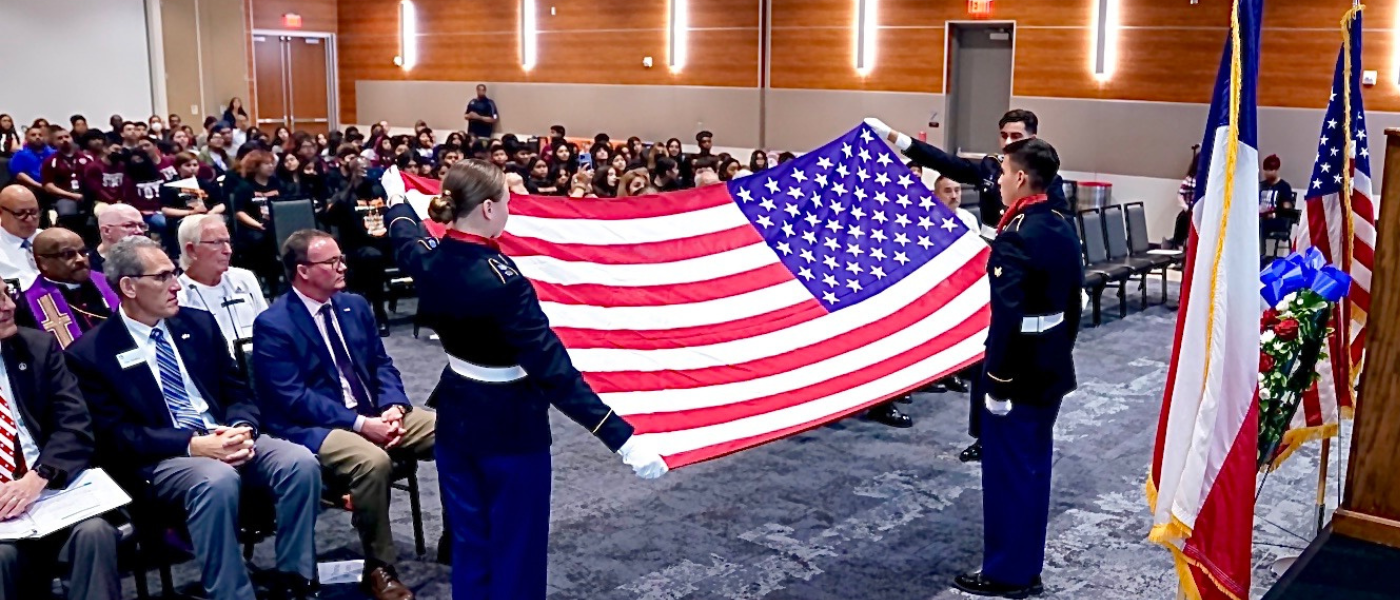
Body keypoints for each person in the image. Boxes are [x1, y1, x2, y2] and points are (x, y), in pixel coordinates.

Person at [384, 160, 667, 599]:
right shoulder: (505, 283)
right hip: (510, 424)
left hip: (455, 413)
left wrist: (395, 202)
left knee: (470, 540)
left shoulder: (429, 258)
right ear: (490, 210)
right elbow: (553, 371)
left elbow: (405, 235)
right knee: (517, 547)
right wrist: (621, 437)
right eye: (509, 202)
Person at [66, 236, 321, 600]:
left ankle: (295, 579)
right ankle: (232, 593)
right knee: (214, 478)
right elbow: (117, 435)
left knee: (299, 461)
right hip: (160, 460)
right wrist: (192, 444)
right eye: (163, 277)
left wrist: (241, 428)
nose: (176, 285)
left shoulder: (198, 324)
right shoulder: (92, 353)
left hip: (224, 435)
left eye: (174, 274)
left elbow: (237, 391)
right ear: (128, 286)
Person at [253, 230, 438, 600]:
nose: (343, 267)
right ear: (303, 271)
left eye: (342, 259)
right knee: (372, 461)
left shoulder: (354, 306)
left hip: (372, 411)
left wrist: (393, 407)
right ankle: (379, 566)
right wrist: (361, 425)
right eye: (332, 262)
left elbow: (382, 364)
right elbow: (293, 398)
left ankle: (461, 533)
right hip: (313, 427)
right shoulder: (274, 324)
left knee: (453, 429)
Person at [951, 138, 1083, 598]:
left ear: (1022, 178)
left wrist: (998, 382)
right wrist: (1058, 353)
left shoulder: (1017, 236)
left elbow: (1006, 319)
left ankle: (1007, 573)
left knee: (1008, 476)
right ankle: (1026, 565)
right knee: (1032, 471)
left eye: (1004, 172)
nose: (1000, 180)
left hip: (1018, 376)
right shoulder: (1060, 224)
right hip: (1050, 369)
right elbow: (1073, 303)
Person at [0, 279, 120, 600]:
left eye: (6, 294)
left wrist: (38, 477)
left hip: (50, 488)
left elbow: (74, 424)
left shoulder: (38, 346)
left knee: (95, 533)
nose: (9, 306)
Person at [865, 110, 1065, 228]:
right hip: (990, 247)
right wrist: (893, 136)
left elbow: (1058, 223)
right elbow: (943, 162)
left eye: (1015, 136)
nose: (1008, 142)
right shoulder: (991, 166)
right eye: (1004, 136)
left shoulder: (1047, 178)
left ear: (1031, 139)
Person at [321, 146, 392, 334]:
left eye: (368, 168)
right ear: (353, 172)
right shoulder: (346, 196)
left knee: (376, 258)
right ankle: (378, 313)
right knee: (371, 261)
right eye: (361, 169)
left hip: (381, 242)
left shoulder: (378, 190)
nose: (366, 172)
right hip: (357, 246)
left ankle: (372, 312)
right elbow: (328, 218)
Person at [15, 228, 120, 347]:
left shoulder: (110, 282)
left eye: (83, 252)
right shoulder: (26, 305)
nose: (80, 259)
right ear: (43, 262)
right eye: (68, 255)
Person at [176, 215, 267, 350]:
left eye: (228, 242)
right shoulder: (178, 295)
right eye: (217, 243)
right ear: (191, 250)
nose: (228, 251)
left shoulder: (245, 278)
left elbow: (267, 327)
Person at [230, 150, 282, 292]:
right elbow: (239, 213)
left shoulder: (277, 183)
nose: (271, 166)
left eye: (272, 163)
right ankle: (262, 281)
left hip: (277, 225)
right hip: (253, 227)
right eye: (266, 164)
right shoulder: (245, 187)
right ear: (256, 166)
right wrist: (257, 225)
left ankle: (277, 282)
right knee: (260, 241)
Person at [40, 126, 93, 235]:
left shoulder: (86, 158)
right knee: (68, 214)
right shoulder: (51, 161)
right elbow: (48, 186)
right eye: (60, 138)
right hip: (65, 197)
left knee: (96, 215)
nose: (64, 140)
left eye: (67, 137)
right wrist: (71, 195)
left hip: (87, 196)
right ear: (54, 142)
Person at [0, 185, 43, 288]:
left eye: (33, 212)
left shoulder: (50, 238)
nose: (29, 219)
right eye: (20, 213)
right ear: (1, 212)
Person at [88, 204, 146, 275]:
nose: (139, 231)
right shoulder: (89, 268)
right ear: (106, 231)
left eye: (141, 226)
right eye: (129, 225)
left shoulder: (152, 258)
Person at [7, 121, 54, 195]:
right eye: (33, 135)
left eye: (40, 135)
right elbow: (19, 175)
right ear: (27, 138)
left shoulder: (53, 153)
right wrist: (41, 186)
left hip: (55, 187)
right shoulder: (20, 154)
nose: (37, 137)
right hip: (32, 187)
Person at [1170, 145, 1201, 250]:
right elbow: (1180, 194)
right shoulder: (1190, 179)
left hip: (1200, 211)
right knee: (1182, 220)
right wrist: (1185, 206)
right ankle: (1175, 245)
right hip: (1189, 210)